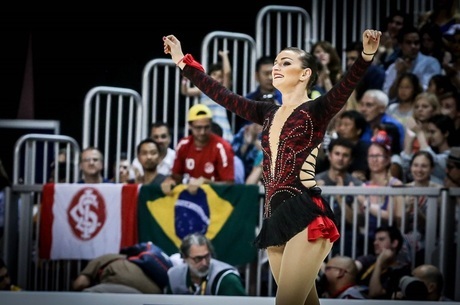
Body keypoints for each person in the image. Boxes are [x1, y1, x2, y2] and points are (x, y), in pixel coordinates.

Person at [163, 28, 381, 305]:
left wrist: (366, 55)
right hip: (274, 220)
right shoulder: (267, 112)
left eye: (285, 62)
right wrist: (183, 60)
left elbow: (347, 84)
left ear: (305, 74)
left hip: (305, 216)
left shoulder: (318, 109)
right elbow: (220, 94)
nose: (276, 67)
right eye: (276, 63)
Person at [163, 103, 235, 187]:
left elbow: (229, 184)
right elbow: (176, 177)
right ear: (190, 126)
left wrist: (206, 183)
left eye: (206, 127)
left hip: (216, 198)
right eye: (198, 128)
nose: (202, 132)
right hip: (189, 197)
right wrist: (169, 181)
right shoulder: (183, 145)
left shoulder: (222, 147)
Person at [316, 137, 364, 257]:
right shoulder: (315, 181)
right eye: (337, 154)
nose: (340, 158)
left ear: (351, 160)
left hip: (346, 237)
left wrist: (339, 197)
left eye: (345, 155)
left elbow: (355, 221)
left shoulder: (356, 184)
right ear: (330, 155)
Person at [73, 241, 172, 293]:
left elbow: (80, 284)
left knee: (83, 297)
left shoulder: (105, 258)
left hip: (120, 288)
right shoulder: (140, 264)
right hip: (151, 296)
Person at [166, 232, 246, 296]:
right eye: (198, 259)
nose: (204, 263)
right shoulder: (174, 276)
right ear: (185, 258)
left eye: (207, 256)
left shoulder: (228, 279)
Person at [181, 51, 234, 143]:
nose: (217, 78)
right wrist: (185, 80)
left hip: (221, 126)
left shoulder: (222, 90)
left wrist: (224, 56)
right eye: (214, 74)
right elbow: (185, 91)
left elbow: (227, 73)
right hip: (205, 125)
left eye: (220, 76)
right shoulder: (203, 89)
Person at [355, 225, 411, 299]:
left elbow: (374, 293)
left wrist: (379, 263)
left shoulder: (401, 271)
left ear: (394, 243)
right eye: (375, 239)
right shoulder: (369, 259)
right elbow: (353, 268)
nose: (375, 243)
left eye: (381, 239)